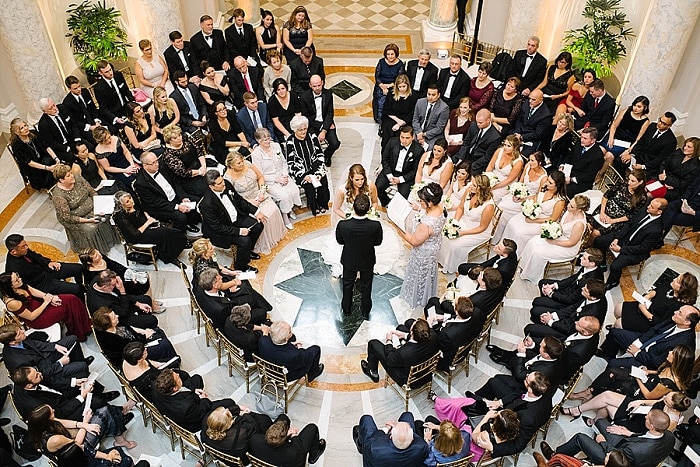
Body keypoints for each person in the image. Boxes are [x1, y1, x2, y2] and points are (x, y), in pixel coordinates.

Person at [546, 409, 674, 467]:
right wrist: (629, 433)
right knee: (601, 422)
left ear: (651, 426)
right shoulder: (670, 436)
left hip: (615, 460)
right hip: (627, 444)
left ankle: (554, 455)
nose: (645, 416)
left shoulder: (636, 450)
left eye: (647, 418)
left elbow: (616, 456)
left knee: (580, 438)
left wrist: (602, 442)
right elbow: (645, 437)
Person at [27, 404, 139, 466]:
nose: (54, 410)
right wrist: (85, 423)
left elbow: (61, 422)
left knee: (106, 411)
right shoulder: (55, 440)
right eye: (52, 413)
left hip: (72, 443)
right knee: (104, 412)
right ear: (46, 420)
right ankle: (120, 436)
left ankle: (119, 433)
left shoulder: (40, 426)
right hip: (76, 450)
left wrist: (82, 424)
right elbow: (77, 444)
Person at [199, 170, 265, 272]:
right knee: (245, 241)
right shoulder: (207, 204)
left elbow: (239, 200)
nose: (223, 183)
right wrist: (239, 231)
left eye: (222, 180)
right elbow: (217, 227)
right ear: (211, 186)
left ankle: (246, 252)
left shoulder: (226, 184)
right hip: (222, 229)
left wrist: (256, 212)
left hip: (235, 217)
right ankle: (240, 266)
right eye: (219, 183)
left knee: (258, 226)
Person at [596, 198, 668, 290]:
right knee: (599, 241)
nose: (648, 206)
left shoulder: (656, 230)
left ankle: (613, 282)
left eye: (652, 207)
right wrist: (617, 238)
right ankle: (602, 263)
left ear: (659, 212)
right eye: (650, 204)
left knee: (615, 266)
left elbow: (643, 248)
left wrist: (621, 249)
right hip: (625, 238)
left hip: (635, 250)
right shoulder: (644, 210)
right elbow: (629, 224)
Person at [598, 305, 699, 369]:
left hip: (648, 358)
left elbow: (658, 363)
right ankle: (608, 353)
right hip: (646, 341)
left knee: (613, 364)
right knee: (614, 332)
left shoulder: (683, 344)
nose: (675, 312)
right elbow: (655, 329)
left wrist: (637, 352)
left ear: (687, 322)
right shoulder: (674, 319)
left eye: (680, 313)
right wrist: (639, 342)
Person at [0, 272, 91, 342]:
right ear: (10, 286)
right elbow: (31, 316)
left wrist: (49, 297)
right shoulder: (12, 303)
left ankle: (84, 325)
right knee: (66, 308)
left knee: (72, 299)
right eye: (16, 280)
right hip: (37, 319)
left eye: (18, 276)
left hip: (40, 305)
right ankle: (79, 333)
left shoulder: (20, 285)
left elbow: (32, 290)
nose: (20, 279)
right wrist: (46, 302)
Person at [224, 151, 286, 253]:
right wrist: (250, 202)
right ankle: (262, 243)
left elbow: (260, 177)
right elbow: (233, 198)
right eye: (238, 163)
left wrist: (262, 191)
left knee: (274, 209)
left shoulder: (248, 164)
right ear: (231, 165)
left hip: (259, 194)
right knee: (263, 218)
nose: (242, 164)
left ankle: (274, 237)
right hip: (246, 202)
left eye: (242, 161)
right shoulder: (228, 178)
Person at [519, 195, 590, 283]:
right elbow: (560, 224)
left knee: (538, 252)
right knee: (533, 241)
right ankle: (524, 266)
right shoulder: (569, 211)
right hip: (560, 236)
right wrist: (552, 230)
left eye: (572, 206)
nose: (568, 206)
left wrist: (554, 242)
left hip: (568, 247)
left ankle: (531, 275)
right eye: (569, 203)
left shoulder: (579, 224)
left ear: (579, 210)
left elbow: (571, 242)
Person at [0, 323, 92, 389]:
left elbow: (35, 343)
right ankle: (83, 373)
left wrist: (55, 346)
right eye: (19, 333)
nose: (23, 331)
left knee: (72, 339)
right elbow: (39, 374)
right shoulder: (18, 362)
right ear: (12, 342)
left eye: (20, 329)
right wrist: (60, 363)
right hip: (47, 371)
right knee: (82, 366)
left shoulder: (19, 339)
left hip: (43, 357)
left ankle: (79, 361)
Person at [398, 183, 447, 307]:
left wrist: (400, 228)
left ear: (429, 203)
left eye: (421, 201)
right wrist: (419, 208)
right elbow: (430, 213)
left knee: (419, 273)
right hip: (434, 245)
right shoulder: (440, 206)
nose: (420, 202)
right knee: (428, 271)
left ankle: (418, 297)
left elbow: (414, 241)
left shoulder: (426, 224)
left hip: (424, 252)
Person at [50, 164, 118, 253]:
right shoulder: (58, 196)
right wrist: (88, 220)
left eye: (71, 173)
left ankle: (110, 240)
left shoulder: (78, 178)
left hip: (92, 207)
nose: (72, 176)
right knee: (91, 228)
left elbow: (92, 192)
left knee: (106, 216)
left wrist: (99, 205)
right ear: (61, 180)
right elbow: (67, 217)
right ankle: (97, 249)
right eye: (68, 175)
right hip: (76, 218)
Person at [336, 194, 383, 318]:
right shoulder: (375, 225)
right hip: (367, 260)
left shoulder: (343, 225)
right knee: (366, 285)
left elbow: (340, 241)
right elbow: (378, 242)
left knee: (347, 285)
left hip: (349, 259)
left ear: (353, 207)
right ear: (368, 209)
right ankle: (365, 309)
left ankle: (346, 308)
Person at [438, 174, 495, 274]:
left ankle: (452, 266)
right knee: (444, 230)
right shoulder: (469, 191)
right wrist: (455, 222)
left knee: (455, 245)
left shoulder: (489, 206)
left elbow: (482, 227)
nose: (470, 186)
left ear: (480, 188)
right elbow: (460, 208)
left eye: (474, 185)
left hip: (478, 230)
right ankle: (440, 258)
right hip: (464, 219)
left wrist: (463, 233)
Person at [112, 191, 188, 265]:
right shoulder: (121, 217)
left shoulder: (134, 204)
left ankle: (179, 241)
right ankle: (171, 256)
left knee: (166, 231)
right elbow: (135, 234)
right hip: (137, 236)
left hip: (144, 226)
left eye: (130, 198)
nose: (131, 201)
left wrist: (148, 217)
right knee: (163, 232)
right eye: (127, 202)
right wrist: (147, 223)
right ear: (122, 205)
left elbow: (143, 210)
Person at [133, 151, 201, 234]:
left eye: (157, 160)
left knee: (198, 201)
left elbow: (175, 181)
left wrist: (183, 197)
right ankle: (180, 236)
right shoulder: (141, 183)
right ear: (145, 166)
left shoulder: (162, 165)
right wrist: (177, 207)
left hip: (175, 196)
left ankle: (190, 222)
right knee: (181, 217)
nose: (157, 164)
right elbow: (155, 202)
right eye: (153, 163)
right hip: (162, 205)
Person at [152, 368, 236, 433]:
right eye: (178, 378)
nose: (178, 374)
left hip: (178, 401)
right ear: (175, 388)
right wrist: (203, 399)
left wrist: (193, 391)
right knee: (229, 402)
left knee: (197, 379)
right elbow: (201, 413)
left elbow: (183, 377)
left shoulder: (156, 385)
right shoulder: (186, 407)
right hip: (194, 420)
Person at [361, 317, 439, 384]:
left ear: (412, 333)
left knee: (373, 344)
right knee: (401, 327)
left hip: (408, 379)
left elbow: (390, 360)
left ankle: (373, 373)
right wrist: (405, 335)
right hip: (426, 374)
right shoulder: (434, 336)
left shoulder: (404, 352)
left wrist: (389, 341)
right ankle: (402, 338)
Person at [613, 272, 698, 332]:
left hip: (649, 320)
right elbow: (657, 290)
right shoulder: (671, 285)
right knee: (618, 308)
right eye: (677, 277)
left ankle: (617, 332)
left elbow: (660, 323)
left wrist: (643, 310)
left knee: (618, 323)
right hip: (647, 305)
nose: (674, 279)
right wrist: (648, 296)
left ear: (682, 289)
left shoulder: (677, 306)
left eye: (677, 281)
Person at [92, 307, 176, 368]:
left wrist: (144, 331)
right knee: (164, 344)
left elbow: (130, 328)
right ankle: (172, 362)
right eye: (114, 318)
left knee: (158, 332)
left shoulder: (117, 323)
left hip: (137, 340)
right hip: (136, 354)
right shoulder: (112, 341)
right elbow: (132, 354)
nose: (117, 316)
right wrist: (145, 336)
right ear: (108, 325)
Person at [526, 278, 607, 340]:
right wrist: (553, 316)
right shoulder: (593, 295)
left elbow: (570, 329)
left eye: (585, 290)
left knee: (530, 328)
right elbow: (573, 307)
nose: (582, 289)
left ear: (593, 298)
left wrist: (551, 322)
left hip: (568, 330)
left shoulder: (591, 314)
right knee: (537, 308)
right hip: (569, 317)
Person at [5, 233, 84, 297]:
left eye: (25, 244)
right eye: (23, 246)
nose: (27, 247)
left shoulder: (23, 250)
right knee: (77, 289)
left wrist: (48, 263)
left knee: (78, 268)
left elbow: (36, 256)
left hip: (46, 269)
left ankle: (83, 285)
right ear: (14, 252)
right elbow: (24, 286)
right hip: (42, 283)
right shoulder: (13, 268)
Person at [250, 127, 301, 226]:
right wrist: (276, 179)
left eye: (269, 138)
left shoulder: (276, 146)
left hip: (282, 175)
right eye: (265, 140)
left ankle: (290, 209)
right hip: (269, 181)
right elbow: (260, 174)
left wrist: (285, 175)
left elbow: (284, 162)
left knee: (294, 190)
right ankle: (285, 216)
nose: (268, 141)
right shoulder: (256, 154)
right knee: (283, 196)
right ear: (259, 141)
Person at [79, 247, 163, 305]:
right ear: (89, 262)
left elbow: (114, 264)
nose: (99, 254)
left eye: (97, 251)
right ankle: (150, 303)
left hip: (120, 275)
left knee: (144, 277)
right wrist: (127, 282)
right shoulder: (93, 274)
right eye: (96, 256)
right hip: (116, 286)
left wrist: (129, 273)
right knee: (140, 284)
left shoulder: (101, 257)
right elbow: (109, 287)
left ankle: (151, 301)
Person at [285, 115, 330, 215]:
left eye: (305, 129)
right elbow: (291, 163)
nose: (303, 132)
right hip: (301, 172)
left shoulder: (312, 136)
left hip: (315, 167)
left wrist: (319, 172)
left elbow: (320, 154)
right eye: (300, 130)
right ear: (294, 130)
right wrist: (304, 176)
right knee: (309, 186)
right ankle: (314, 206)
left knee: (322, 181)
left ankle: (322, 203)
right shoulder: (290, 141)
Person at [201, 404, 273, 466]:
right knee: (264, 420)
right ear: (228, 423)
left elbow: (220, 417)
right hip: (242, 461)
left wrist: (237, 408)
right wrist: (246, 414)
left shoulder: (207, 423)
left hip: (223, 457)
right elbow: (254, 427)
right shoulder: (241, 432)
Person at [87, 269, 159, 330]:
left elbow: (121, 296)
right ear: (105, 287)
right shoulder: (103, 304)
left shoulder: (98, 280)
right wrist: (122, 291)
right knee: (152, 320)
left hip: (120, 302)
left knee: (146, 299)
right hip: (119, 316)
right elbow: (123, 313)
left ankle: (143, 314)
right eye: (114, 284)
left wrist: (138, 304)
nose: (116, 285)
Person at [352, 412, 429, 467]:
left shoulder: (374, 448)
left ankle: (360, 446)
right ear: (412, 438)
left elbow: (373, 438)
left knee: (366, 419)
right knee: (408, 415)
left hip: (377, 455)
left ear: (390, 436)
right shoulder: (422, 447)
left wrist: (386, 428)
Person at [496, 151, 547, 234]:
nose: (530, 162)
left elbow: (538, 196)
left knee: (504, 209)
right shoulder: (528, 166)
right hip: (520, 193)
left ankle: (502, 232)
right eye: (529, 160)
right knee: (501, 205)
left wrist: (523, 199)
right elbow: (520, 181)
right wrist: (516, 191)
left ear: (540, 162)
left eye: (532, 161)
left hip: (529, 200)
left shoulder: (544, 178)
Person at [535, 247, 605, 308]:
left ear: (592, 263)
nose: (580, 258)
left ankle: (547, 305)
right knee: (542, 282)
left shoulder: (588, 282)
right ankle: (546, 302)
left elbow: (570, 300)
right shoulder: (589, 266)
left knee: (537, 302)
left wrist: (551, 293)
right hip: (571, 289)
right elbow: (573, 278)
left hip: (570, 300)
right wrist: (555, 285)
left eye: (584, 258)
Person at [590, 168, 647, 241]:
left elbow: (631, 215)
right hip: (604, 209)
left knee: (595, 233)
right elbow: (606, 196)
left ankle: (587, 246)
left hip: (616, 220)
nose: (629, 182)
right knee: (589, 226)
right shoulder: (622, 183)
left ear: (640, 182)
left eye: (632, 181)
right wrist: (602, 212)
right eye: (629, 179)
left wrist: (612, 221)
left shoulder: (642, 198)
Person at [249, 414, 326, 467]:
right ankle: (313, 457)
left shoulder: (254, 439)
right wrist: (294, 437)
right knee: (312, 428)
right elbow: (301, 461)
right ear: (284, 438)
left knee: (283, 417)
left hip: (265, 455)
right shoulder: (293, 454)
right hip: (287, 456)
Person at [258, 321, 324, 381]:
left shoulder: (263, 341)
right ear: (286, 338)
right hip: (286, 376)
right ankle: (312, 374)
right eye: (290, 332)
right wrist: (300, 347)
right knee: (315, 349)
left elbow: (266, 338)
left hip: (269, 370)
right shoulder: (294, 354)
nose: (291, 333)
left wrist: (291, 344)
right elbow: (303, 359)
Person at [376, 126, 424, 206]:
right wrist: (389, 175)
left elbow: (415, 170)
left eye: (407, 138)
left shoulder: (418, 150)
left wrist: (400, 179)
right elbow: (385, 159)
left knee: (403, 196)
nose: (404, 140)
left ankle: (396, 207)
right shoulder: (392, 142)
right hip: (391, 170)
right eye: (402, 137)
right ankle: (387, 203)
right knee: (378, 186)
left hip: (405, 175)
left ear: (412, 137)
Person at [619, 112, 677, 178]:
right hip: (639, 157)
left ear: (669, 126)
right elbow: (641, 142)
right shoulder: (652, 126)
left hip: (649, 166)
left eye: (663, 123)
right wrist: (632, 155)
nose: (659, 123)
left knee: (639, 176)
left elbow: (660, 160)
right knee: (620, 160)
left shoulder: (671, 141)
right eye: (660, 120)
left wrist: (643, 166)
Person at [300, 74, 341, 165]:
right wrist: (321, 128)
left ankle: (326, 156)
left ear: (322, 83)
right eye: (314, 86)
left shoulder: (328, 94)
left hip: (326, 123)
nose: (317, 88)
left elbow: (330, 113)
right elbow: (306, 117)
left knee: (335, 143)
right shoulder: (304, 97)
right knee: (311, 144)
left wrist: (324, 130)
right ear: (310, 85)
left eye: (319, 85)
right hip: (312, 125)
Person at [9, 117, 59, 190]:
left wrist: (56, 158)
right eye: (22, 128)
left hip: (44, 159)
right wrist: (48, 168)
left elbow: (46, 146)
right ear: (17, 132)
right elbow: (30, 162)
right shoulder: (17, 146)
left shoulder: (33, 133)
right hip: (34, 168)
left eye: (25, 125)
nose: (25, 128)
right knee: (52, 176)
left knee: (55, 165)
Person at [160, 124, 208, 200]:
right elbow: (183, 172)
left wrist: (204, 166)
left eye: (179, 135)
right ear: (169, 140)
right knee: (206, 190)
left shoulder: (186, 138)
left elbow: (199, 151)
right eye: (175, 138)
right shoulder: (168, 155)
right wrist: (199, 172)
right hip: (189, 178)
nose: (179, 138)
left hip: (201, 166)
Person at [602, 95, 651, 162]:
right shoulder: (626, 111)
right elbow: (614, 125)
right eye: (634, 105)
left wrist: (628, 151)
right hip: (614, 136)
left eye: (639, 107)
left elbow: (638, 140)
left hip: (625, 144)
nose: (635, 108)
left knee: (609, 156)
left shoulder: (645, 121)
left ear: (645, 108)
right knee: (600, 150)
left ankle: (603, 169)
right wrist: (611, 138)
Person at [92, 125, 139, 191]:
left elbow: (126, 152)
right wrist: (125, 170)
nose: (109, 140)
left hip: (128, 162)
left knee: (141, 173)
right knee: (131, 182)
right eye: (106, 140)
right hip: (118, 171)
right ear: (100, 142)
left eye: (109, 137)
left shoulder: (115, 138)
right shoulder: (99, 151)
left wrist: (132, 163)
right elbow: (107, 168)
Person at [562, 126, 605, 197]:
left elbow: (589, 175)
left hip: (581, 181)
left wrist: (571, 179)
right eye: (581, 137)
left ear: (593, 140)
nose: (582, 140)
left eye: (585, 138)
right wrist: (562, 165)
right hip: (569, 172)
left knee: (564, 190)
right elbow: (570, 155)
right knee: (554, 177)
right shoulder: (580, 142)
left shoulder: (597, 156)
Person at [483, 134, 525, 203]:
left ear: (515, 148)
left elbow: (509, 180)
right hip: (493, 177)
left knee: (490, 197)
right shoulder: (499, 151)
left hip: (504, 184)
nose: (505, 147)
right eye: (505, 145)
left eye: (508, 146)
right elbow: (490, 166)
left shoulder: (518, 162)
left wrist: (494, 187)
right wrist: (486, 178)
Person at [62, 75, 102, 147]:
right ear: (69, 89)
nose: (79, 89)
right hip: (84, 127)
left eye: (79, 86)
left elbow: (93, 107)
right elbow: (74, 122)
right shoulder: (67, 103)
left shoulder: (85, 91)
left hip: (94, 121)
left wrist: (96, 121)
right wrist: (90, 127)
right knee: (97, 140)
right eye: (75, 88)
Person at [658, 136, 700, 201]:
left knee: (650, 195)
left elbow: (683, 183)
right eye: (685, 145)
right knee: (646, 188)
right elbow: (664, 164)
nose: (685, 148)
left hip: (675, 188)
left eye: (689, 147)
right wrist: (661, 175)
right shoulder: (678, 152)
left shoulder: (696, 166)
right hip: (661, 178)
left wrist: (667, 179)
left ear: (696, 149)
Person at [92, 61, 133, 128]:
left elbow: (126, 91)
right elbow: (103, 108)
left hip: (126, 107)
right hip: (114, 113)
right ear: (100, 73)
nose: (110, 73)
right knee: (127, 126)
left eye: (110, 69)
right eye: (106, 72)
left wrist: (132, 103)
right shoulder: (99, 88)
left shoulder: (118, 75)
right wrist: (115, 118)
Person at [37, 97, 77, 164]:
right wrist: (67, 148)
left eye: (54, 105)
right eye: (51, 108)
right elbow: (52, 143)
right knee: (75, 157)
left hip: (72, 140)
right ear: (45, 111)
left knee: (88, 147)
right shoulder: (43, 125)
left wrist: (77, 138)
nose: (55, 108)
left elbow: (73, 124)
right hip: (61, 148)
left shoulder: (62, 108)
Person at [513, 89, 552, 156]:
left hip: (531, 139)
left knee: (521, 156)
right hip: (518, 133)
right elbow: (519, 120)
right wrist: (517, 133)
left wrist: (522, 137)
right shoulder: (526, 103)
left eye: (533, 100)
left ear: (540, 100)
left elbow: (538, 134)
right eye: (529, 98)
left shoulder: (546, 115)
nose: (530, 101)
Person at [373, 43, 405, 123]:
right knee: (379, 100)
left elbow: (399, 79)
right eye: (388, 54)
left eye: (392, 54)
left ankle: (387, 120)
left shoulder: (400, 64)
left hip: (393, 86)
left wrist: (388, 86)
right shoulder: (381, 61)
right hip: (381, 85)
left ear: (396, 54)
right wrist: (382, 86)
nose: (390, 56)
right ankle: (378, 119)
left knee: (388, 102)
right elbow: (377, 75)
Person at [170, 70, 209, 134]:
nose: (186, 83)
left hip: (201, 118)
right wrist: (192, 122)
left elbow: (202, 103)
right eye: (183, 82)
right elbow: (179, 116)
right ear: (176, 82)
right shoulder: (173, 97)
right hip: (188, 124)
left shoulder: (193, 87)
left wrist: (204, 115)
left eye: (186, 80)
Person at [412, 85, 450, 150]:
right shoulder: (420, 102)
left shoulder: (444, 108)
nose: (430, 97)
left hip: (432, 135)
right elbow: (415, 120)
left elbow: (439, 128)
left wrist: (424, 135)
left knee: (430, 149)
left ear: (438, 95)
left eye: (433, 95)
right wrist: (419, 132)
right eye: (429, 94)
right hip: (418, 132)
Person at [268, 78, 303, 142]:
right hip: (280, 128)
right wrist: (287, 134)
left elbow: (298, 114)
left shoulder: (293, 96)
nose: (281, 91)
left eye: (283, 88)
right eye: (278, 90)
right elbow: (276, 121)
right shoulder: (272, 101)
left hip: (294, 125)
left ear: (286, 88)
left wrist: (296, 130)